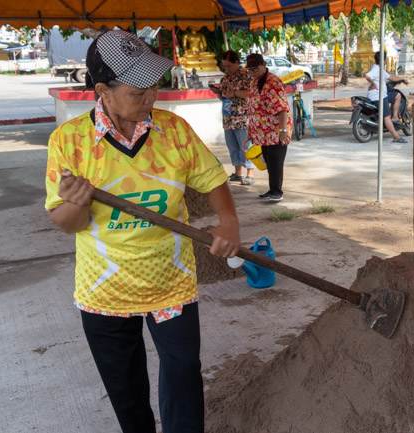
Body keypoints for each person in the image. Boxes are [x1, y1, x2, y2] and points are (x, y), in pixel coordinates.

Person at [44, 30, 240, 433]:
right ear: (103, 91)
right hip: (106, 290)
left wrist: (229, 221)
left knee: (184, 373)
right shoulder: (70, 142)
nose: (151, 98)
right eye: (138, 92)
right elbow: (67, 224)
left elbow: (212, 179)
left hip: (172, 282)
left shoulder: (174, 131)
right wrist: (76, 203)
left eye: (154, 87)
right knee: (127, 390)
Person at [245, 53, 292, 203]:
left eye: (255, 68)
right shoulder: (254, 81)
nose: (252, 72)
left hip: (276, 130)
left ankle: (277, 192)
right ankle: (272, 190)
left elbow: (282, 109)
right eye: (250, 69)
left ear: (263, 65)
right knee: (268, 161)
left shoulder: (273, 82)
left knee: (276, 162)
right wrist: (251, 130)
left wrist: (283, 131)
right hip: (262, 132)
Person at [210, 50, 255, 185]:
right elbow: (224, 96)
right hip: (228, 117)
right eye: (224, 66)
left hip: (242, 117)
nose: (226, 69)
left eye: (229, 66)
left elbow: (251, 93)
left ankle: (250, 173)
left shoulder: (246, 76)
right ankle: (238, 172)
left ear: (237, 62)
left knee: (245, 146)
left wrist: (235, 93)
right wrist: (218, 92)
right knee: (232, 146)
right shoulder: (225, 78)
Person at [364, 51, 406, 143]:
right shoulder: (377, 70)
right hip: (379, 97)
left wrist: (401, 79)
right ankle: (396, 137)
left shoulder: (379, 69)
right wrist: (373, 83)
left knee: (397, 96)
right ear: (384, 60)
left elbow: (391, 78)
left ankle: (395, 117)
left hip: (377, 96)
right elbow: (367, 76)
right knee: (386, 117)